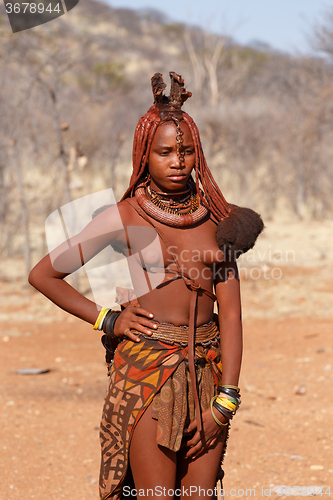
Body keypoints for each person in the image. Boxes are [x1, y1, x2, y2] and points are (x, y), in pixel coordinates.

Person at [28, 71, 263, 500]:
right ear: (144, 156)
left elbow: (231, 314)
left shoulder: (220, 222)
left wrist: (225, 401)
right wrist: (107, 319)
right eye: (165, 152)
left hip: (207, 374)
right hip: (145, 371)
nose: (178, 161)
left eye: (187, 151)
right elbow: (44, 275)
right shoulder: (124, 216)